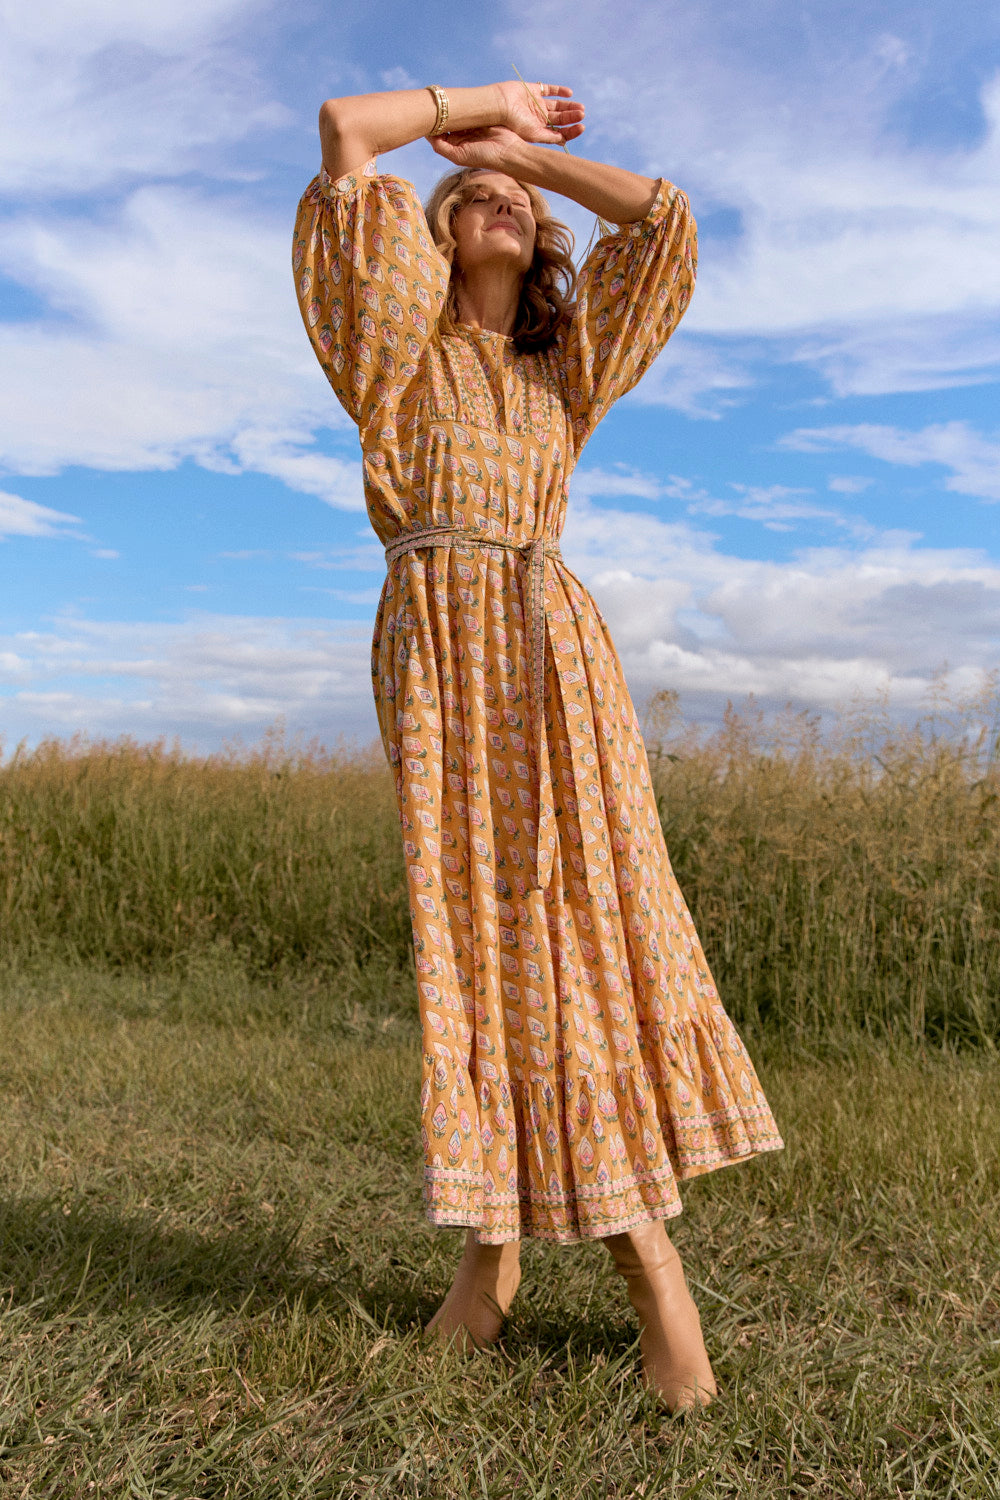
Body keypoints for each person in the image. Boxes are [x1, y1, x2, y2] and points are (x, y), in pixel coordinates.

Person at [293, 78, 783, 1413]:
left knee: (573, 932)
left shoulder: (563, 374)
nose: (494, 199)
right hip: (442, 662)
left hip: (553, 657)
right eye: (467, 198)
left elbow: (668, 226)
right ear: (435, 238)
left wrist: (524, 160)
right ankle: (492, 1256)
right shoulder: (391, 357)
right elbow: (347, 133)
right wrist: (475, 107)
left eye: (510, 196)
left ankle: (648, 1269)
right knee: (480, 939)